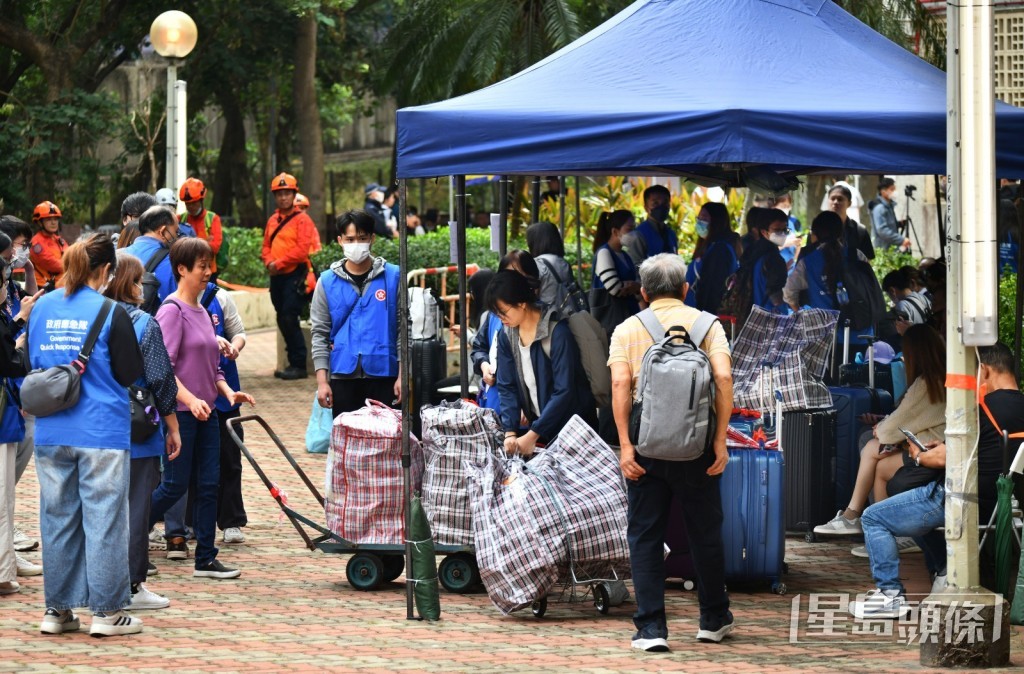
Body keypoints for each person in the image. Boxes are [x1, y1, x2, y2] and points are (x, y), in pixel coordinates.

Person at [608, 253, 733, 651]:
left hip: (645, 450)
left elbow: (620, 386)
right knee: (704, 533)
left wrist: (627, 446)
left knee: (645, 536)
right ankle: (713, 619)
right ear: (686, 288)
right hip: (697, 449)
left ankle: (651, 629)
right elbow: (724, 377)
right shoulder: (707, 325)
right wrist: (719, 441)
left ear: (642, 293)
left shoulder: (627, 329)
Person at [850, 343, 1024, 619]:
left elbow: (941, 459)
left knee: (874, 517)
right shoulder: (1018, 408)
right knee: (909, 498)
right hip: (999, 504)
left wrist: (919, 454)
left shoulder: (982, 408)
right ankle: (944, 571)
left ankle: (890, 595)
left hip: (960, 498)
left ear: (985, 370)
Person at [27, 234, 145, 636]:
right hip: (101, 431)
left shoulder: (41, 307)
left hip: (51, 429)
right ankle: (107, 613)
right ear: (106, 270)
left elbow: (33, 360)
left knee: (57, 519)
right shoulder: (112, 311)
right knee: (105, 520)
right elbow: (130, 373)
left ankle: (57, 611)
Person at [150, 237, 254, 581]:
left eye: (209, 265)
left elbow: (214, 365)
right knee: (175, 486)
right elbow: (163, 367)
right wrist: (188, 399)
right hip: (182, 416)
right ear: (182, 269)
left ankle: (206, 558)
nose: (209, 272)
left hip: (208, 412)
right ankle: (128, 536)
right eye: (201, 267)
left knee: (210, 483)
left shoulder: (203, 310)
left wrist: (227, 392)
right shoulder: (171, 310)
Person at [814, 324, 945, 539]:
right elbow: (912, 418)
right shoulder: (940, 379)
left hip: (928, 452)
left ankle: (854, 517)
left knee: (872, 445)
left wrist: (882, 427)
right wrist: (885, 424)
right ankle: (880, 533)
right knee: (880, 465)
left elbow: (893, 428)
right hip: (933, 447)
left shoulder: (926, 383)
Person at [102, 251, 180, 610]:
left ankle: (99, 582)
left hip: (96, 425)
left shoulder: (91, 317)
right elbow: (161, 378)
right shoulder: (143, 323)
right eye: (139, 281)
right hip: (137, 425)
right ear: (130, 283)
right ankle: (132, 586)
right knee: (135, 507)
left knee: (100, 508)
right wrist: (172, 424)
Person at [489, 269, 596, 457]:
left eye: (503, 312)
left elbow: (564, 391)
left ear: (521, 303)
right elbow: (507, 386)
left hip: (575, 431)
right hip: (541, 430)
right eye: (496, 314)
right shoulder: (507, 335)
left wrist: (533, 434)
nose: (500, 319)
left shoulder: (557, 332)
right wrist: (510, 432)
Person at [311, 209, 401, 419]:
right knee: (348, 443)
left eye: (362, 238)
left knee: (386, 442)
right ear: (340, 240)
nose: (356, 244)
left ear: (372, 239)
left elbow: (402, 330)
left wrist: (403, 377)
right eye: (350, 239)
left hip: (384, 373)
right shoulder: (326, 281)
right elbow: (319, 333)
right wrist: (322, 382)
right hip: (343, 374)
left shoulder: (393, 276)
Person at [0, 233, 42, 596]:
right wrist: (20, 327)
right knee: (2, 492)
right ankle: (3, 569)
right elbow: (8, 360)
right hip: (4, 412)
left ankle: (7, 559)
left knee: (5, 493)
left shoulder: (10, 295)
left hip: (11, 408)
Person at [201, 283, 250, 545]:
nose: (206, 272)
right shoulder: (174, 301)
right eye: (200, 266)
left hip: (226, 392)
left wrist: (235, 347)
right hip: (194, 395)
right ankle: (190, 524)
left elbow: (238, 332)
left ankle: (231, 520)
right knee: (195, 462)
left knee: (230, 458)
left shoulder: (219, 295)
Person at [261, 172, 317, 380]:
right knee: (281, 317)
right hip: (276, 276)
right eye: (279, 194)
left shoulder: (303, 220)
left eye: (287, 193)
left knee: (289, 316)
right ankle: (292, 362)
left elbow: (302, 250)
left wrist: (279, 263)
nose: (283, 197)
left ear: (294, 194)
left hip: (295, 274)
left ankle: (298, 364)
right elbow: (266, 246)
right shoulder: (272, 220)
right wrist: (268, 262)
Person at [590, 210, 642, 337]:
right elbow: (614, 288)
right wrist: (635, 286)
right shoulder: (604, 253)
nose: (633, 234)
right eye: (629, 229)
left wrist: (633, 286)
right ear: (615, 231)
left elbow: (634, 285)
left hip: (627, 317)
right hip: (611, 322)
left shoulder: (625, 255)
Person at [684, 202, 739, 313]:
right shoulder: (709, 247)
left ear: (716, 222)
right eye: (698, 218)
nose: (699, 222)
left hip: (703, 315)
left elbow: (712, 290)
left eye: (704, 218)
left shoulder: (720, 250)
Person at [735, 208, 790, 316]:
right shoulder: (773, 258)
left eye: (785, 230)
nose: (782, 234)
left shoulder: (751, 252)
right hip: (770, 317)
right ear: (764, 232)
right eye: (777, 230)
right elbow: (776, 297)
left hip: (750, 315)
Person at [123, 205, 180, 306]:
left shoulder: (117, 256)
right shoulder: (172, 262)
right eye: (176, 232)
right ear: (163, 231)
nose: (177, 237)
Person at [525, 221, 578, 313]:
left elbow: (532, 295)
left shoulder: (538, 263)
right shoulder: (564, 263)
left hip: (546, 315)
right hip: (566, 312)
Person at [179, 178, 223, 277]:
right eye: (187, 204)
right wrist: (205, 242)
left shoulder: (213, 219)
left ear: (201, 200)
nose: (190, 207)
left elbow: (215, 248)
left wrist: (189, 245)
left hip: (209, 271)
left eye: (193, 203)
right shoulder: (180, 219)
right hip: (187, 272)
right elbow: (176, 247)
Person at [624, 185, 676, 266]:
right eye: (655, 203)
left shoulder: (671, 234)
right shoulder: (639, 235)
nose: (661, 206)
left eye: (665, 202)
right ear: (646, 207)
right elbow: (635, 268)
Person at [825, 184, 874, 261]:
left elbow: (867, 262)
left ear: (849, 203)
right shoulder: (817, 230)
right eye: (832, 198)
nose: (835, 202)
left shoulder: (860, 231)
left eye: (840, 199)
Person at [29, 201, 68, 289]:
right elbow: (55, 265)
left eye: (55, 219)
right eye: (49, 220)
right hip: (43, 289)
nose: (53, 222)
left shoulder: (59, 240)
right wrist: (72, 264)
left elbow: (71, 257)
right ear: (39, 223)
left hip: (61, 286)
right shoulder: (36, 244)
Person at [871, 178, 911, 252]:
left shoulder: (889, 206)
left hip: (891, 248)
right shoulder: (879, 208)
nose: (895, 192)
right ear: (883, 192)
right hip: (883, 249)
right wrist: (901, 240)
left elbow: (888, 224)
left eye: (894, 189)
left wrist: (898, 224)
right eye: (892, 189)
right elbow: (882, 230)